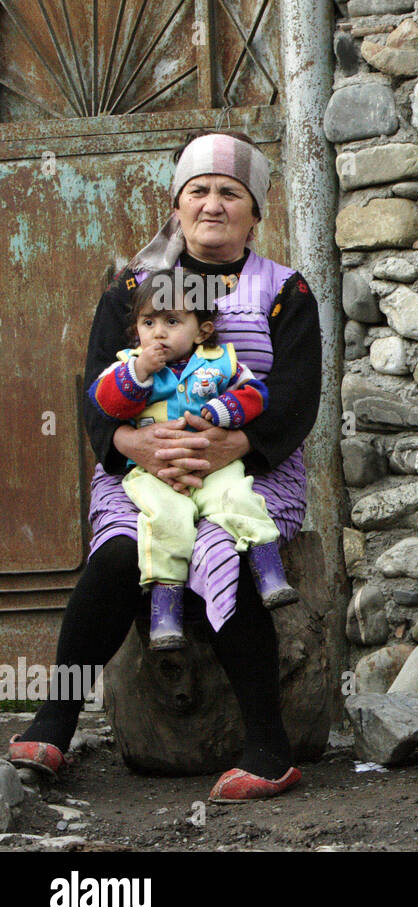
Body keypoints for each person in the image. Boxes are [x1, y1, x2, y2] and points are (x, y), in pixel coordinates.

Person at [7, 132, 322, 803]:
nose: (213, 204)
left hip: (249, 469)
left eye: (229, 192)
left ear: (255, 212)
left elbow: (297, 397)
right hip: (142, 463)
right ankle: (56, 720)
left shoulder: (285, 293)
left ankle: (269, 747)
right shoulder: (131, 288)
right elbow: (96, 390)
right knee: (122, 553)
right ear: (176, 205)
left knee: (222, 553)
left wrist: (232, 446)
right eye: (198, 190)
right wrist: (136, 445)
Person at [89, 268, 297, 652]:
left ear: (201, 331)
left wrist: (223, 412)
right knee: (166, 524)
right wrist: (140, 372)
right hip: (154, 475)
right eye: (148, 322)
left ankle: (269, 571)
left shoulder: (219, 362)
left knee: (239, 498)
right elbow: (105, 403)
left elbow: (255, 396)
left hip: (212, 468)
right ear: (136, 330)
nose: (158, 333)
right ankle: (164, 612)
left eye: (172, 322)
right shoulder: (128, 366)